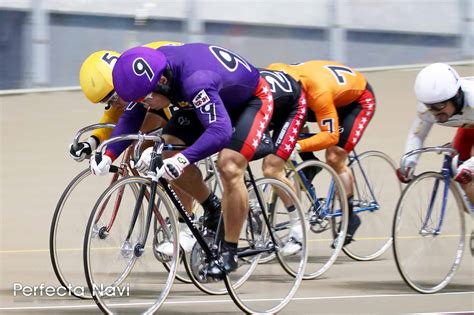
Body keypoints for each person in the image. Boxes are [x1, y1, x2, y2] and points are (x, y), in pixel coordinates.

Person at [102, 43, 274, 278]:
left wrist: (184, 159)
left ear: (162, 82)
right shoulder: (154, 73)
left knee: (229, 165)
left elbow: (220, 131)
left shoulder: (196, 81)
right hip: (207, 98)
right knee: (167, 148)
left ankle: (229, 252)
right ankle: (212, 207)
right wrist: (107, 153)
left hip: (250, 101)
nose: (145, 106)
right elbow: (132, 116)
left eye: (147, 100)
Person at [72, 42, 221, 253]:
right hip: (158, 97)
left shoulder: (136, 78)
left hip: (183, 93)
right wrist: (95, 142)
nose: (113, 104)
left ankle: (185, 221)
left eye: (114, 98)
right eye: (107, 101)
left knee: (167, 151)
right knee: (140, 143)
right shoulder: (127, 76)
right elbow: (115, 117)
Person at [267, 60, 377, 246]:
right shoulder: (275, 72)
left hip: (355, 102)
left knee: (334, 156)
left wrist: (298, 147)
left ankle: (350, 216)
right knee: (288, 119)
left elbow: (331, 136)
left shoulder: (319, 93)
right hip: (313, 94)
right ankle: (310, 166)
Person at [397, 63, 473, 205]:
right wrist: (409, 162)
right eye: (429, 106)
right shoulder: (426, 110)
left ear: (456, 96)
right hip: (469, 127)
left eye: (438, 106)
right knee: (465, 191)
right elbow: (418, 134)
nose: (434, 112)